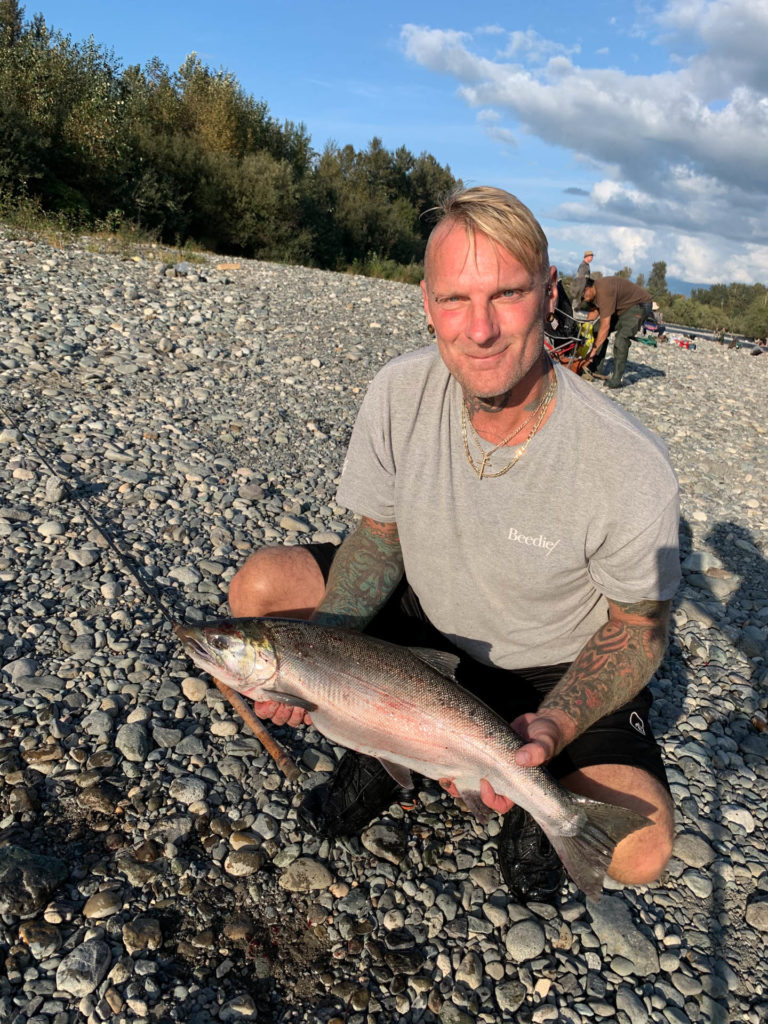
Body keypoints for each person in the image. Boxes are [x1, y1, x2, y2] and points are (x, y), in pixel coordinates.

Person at [228, 186, 680, 904]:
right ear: (426, 302)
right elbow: (378, 539)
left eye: (506, 295)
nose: (480, 330)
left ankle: (533, 803)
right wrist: (319, 658)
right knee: (260, 593)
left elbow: (638, 630)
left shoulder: (627, 462)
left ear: (548, 294)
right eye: (454, 300)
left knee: (643, 847)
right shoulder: (399, 391)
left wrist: (555, 726)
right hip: (426, 625)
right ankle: (387, 746)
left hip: (548, 671)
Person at [581, 276, 653, 388]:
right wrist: (583, 331)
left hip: (639, 306)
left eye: (583, 294)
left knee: (621, 339)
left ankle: (617, 379)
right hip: (622, 308)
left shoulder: (604, 292)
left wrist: (593, 351)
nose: (583, 299)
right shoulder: (593, 293)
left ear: (589, 287)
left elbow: (605, 327)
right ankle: (596, 368)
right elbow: (594, 313)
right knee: (595, 329)